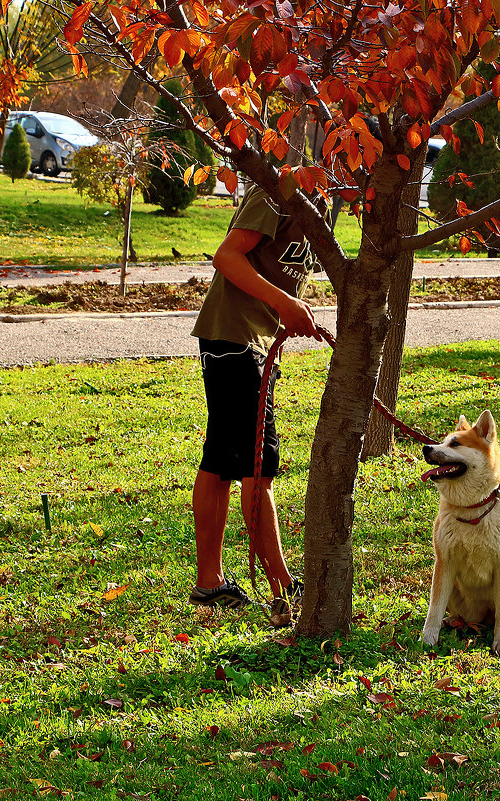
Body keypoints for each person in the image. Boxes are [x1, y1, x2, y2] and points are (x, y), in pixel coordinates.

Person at [188, 183, 322, 627]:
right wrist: (286, 304)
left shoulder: (319, 203)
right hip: (234, 340)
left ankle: (210, 584)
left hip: (254, 344)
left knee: (221, 460)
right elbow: (226, 257)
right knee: (256, 465)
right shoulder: (278, 191)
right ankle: (283, 589)